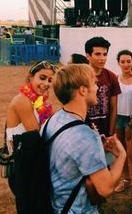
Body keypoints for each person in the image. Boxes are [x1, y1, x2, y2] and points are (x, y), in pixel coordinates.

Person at [42, 64, 126, 213]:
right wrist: (121, 156)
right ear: (82, 90)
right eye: (94, 83)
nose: (97, 88)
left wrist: (98, 149)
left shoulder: (53, 120)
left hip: (55, 206)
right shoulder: (85, 137)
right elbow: (106, 189)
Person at [5, 61, 57, 192]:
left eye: (50, 80)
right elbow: (37, 135)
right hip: (22, 164)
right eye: (42, 78)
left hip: (30, 157)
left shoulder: (38, 100)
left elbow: (54, 119)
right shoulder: (22, 101)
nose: (46, 84)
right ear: (30, 77)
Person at [114, 50, 132, 210]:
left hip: (131, 120)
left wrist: (131, 124)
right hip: (118, 118)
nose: (126, 64)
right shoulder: (116, 79)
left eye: (128, 61)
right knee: (121, 152)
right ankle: (126, 180)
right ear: (118, 63)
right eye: (123, 61)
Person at [85, 37, 121, 136]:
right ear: (88, 55)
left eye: (105, 54)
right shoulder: (80, 77)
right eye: (97, 54)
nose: (102, 58)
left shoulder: (112, 77)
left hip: (105, 131)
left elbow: (113, 108)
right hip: (84, 132)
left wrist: (111, 134)